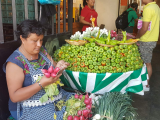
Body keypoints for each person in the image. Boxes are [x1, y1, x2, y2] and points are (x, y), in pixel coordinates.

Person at [3, 20, 73, 120]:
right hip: (29, 107)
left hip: (55, 98)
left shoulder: (42, 51)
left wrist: (59, 67)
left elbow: (54, 71)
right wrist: (41, 84)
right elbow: (14, 96)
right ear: (22, 39)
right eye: (35, 41)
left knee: (80, 104)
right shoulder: (15, 62)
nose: (39, 44)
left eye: (41, 40)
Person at [136, 0, 160, 91]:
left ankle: (146, 85)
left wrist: (137, 37)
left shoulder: (148, 9)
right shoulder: (156, 7)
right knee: (146, 62)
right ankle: (143, 83)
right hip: (152, 39)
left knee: (147, 63)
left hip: (146, 40)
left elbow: (144, 28)